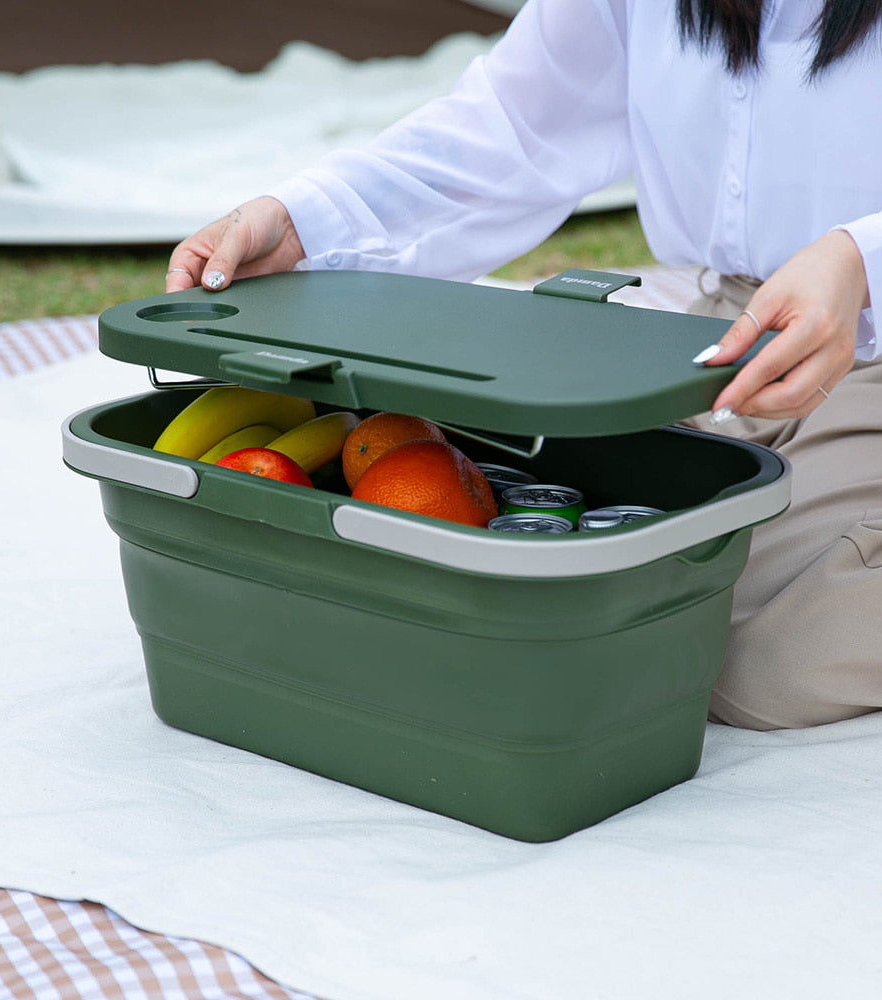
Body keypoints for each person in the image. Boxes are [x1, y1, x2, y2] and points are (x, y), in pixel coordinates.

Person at [164, 1, 882, 731]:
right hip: (710, 334)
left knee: (734, 651)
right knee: (544, 538)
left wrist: (860, 259)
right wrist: (302, 218)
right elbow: (511, 127)